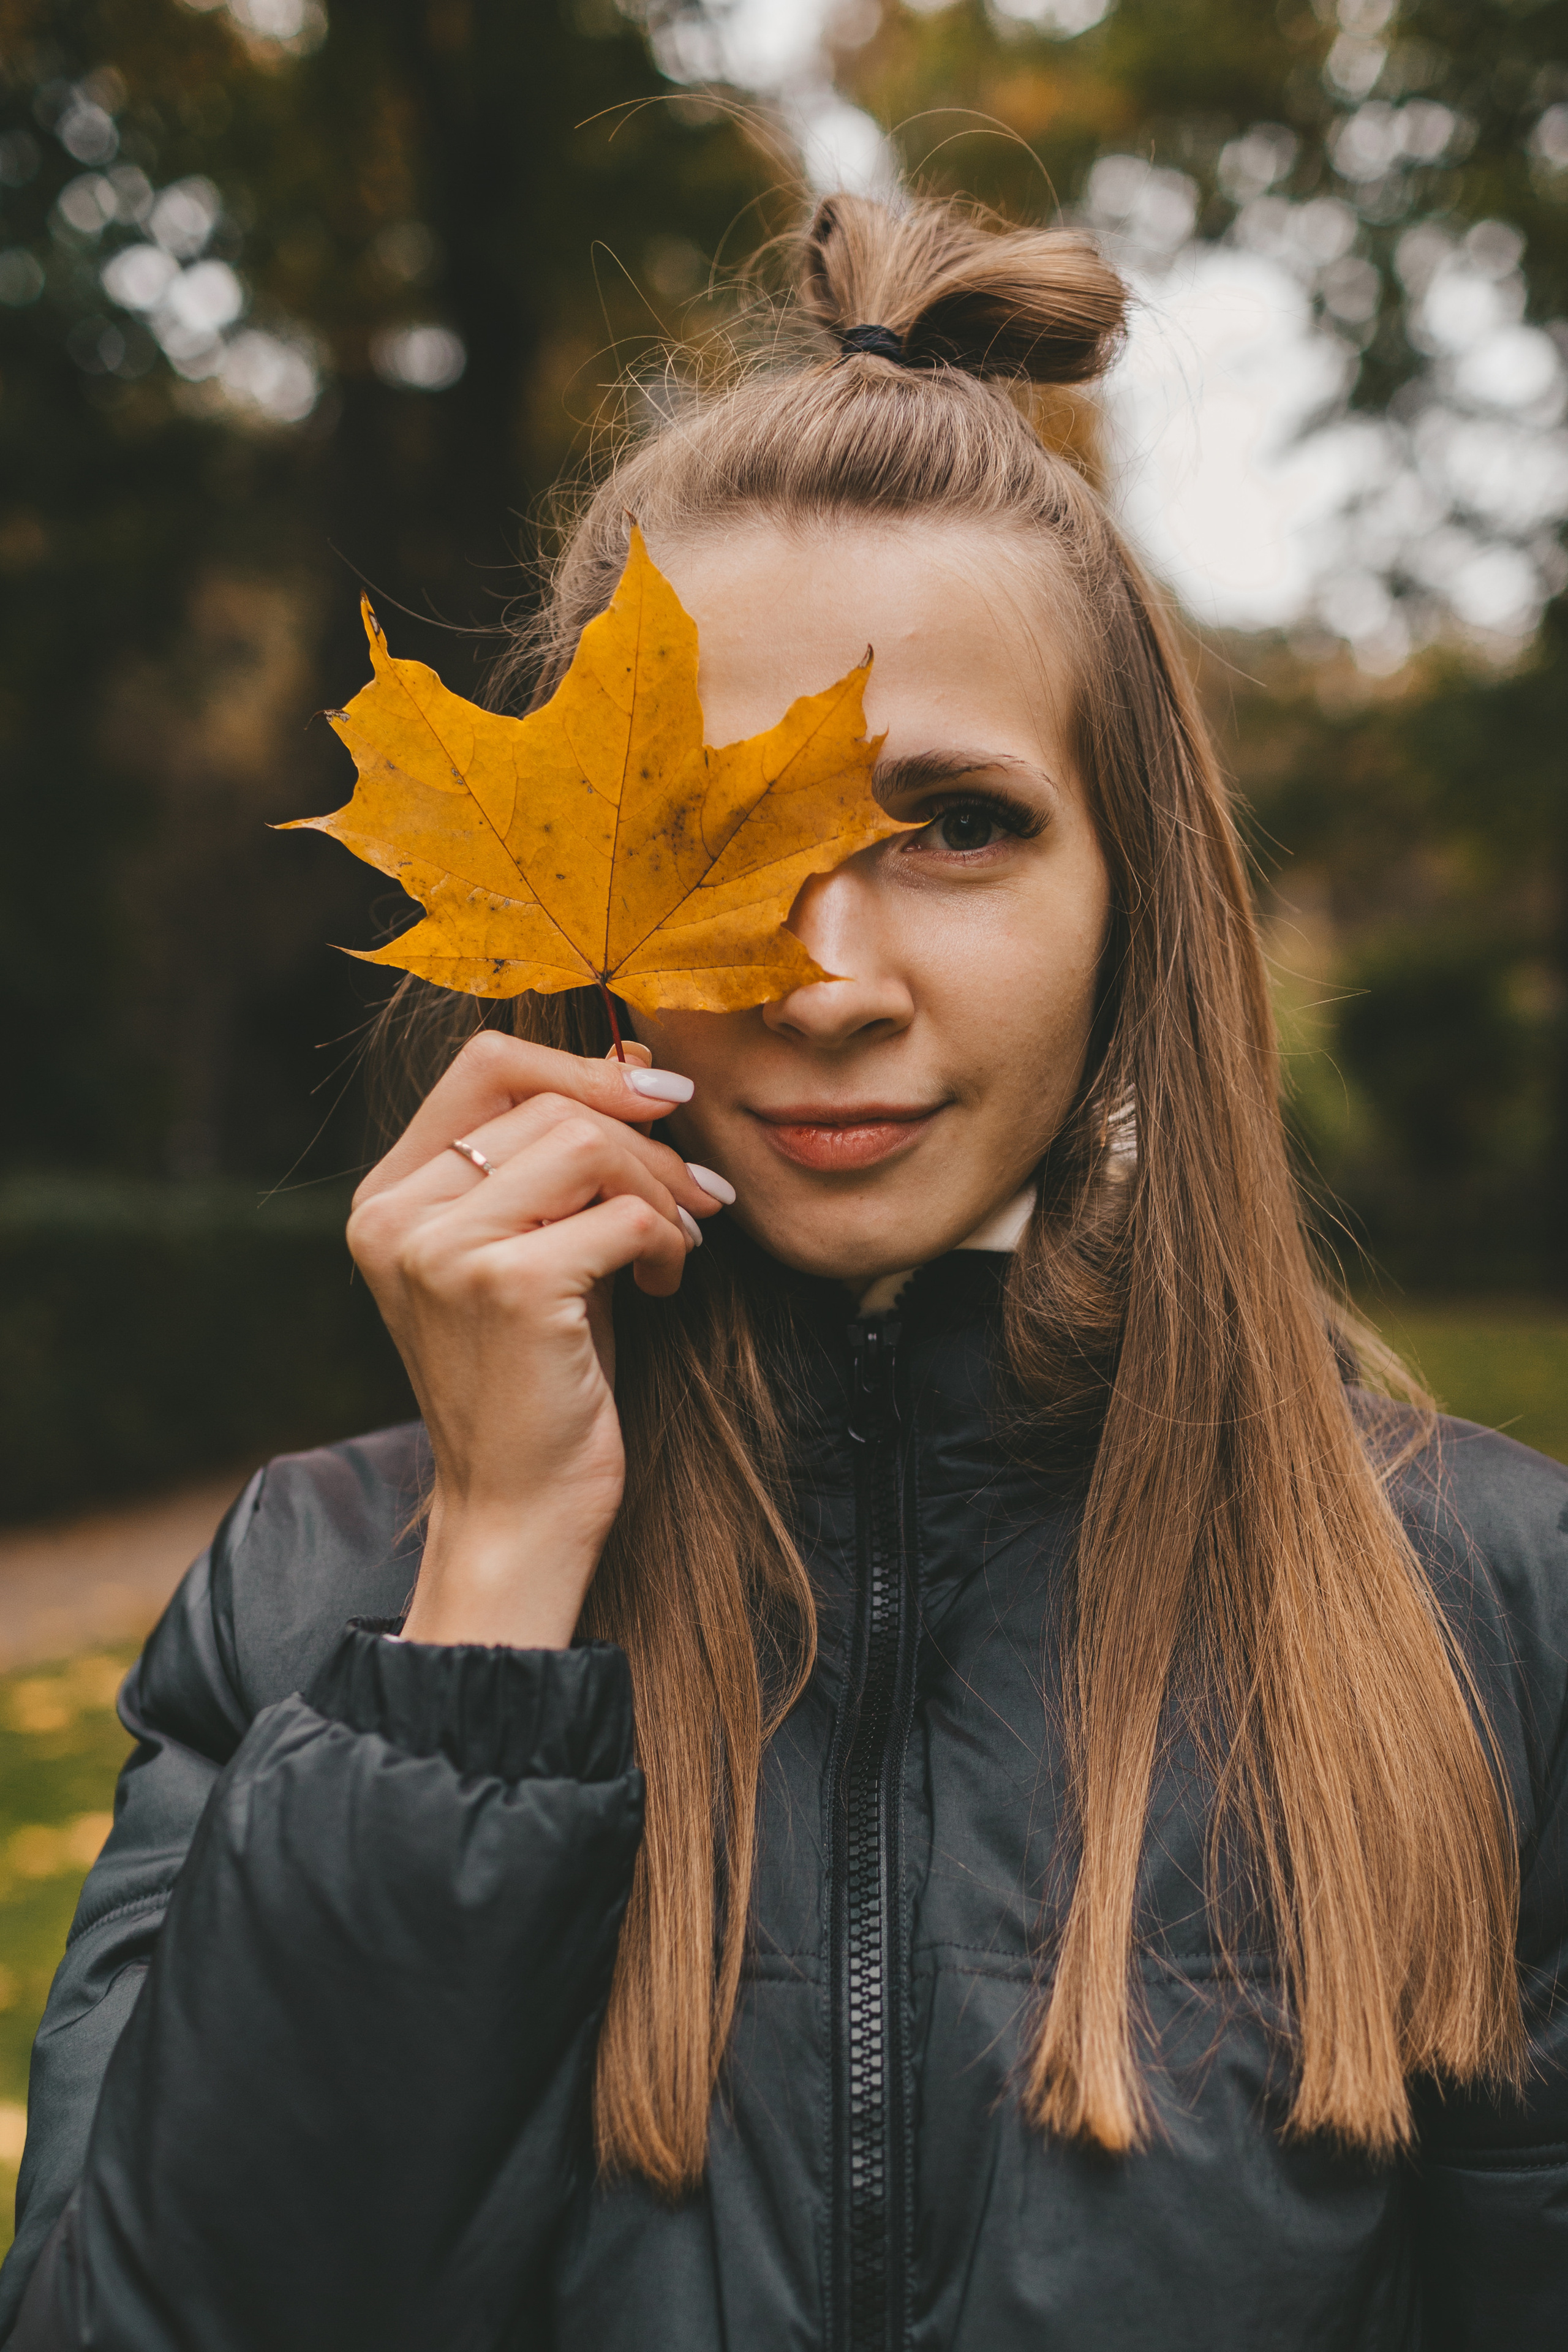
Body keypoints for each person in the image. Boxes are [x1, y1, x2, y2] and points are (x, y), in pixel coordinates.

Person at [2, 194, 1564, 2352]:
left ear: (1139, 909)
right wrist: (487, 1605)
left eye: (954, 826)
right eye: (718, 838)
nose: (827, 979)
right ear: (569, 911)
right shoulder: (317, 1599)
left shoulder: (1478, 1603)